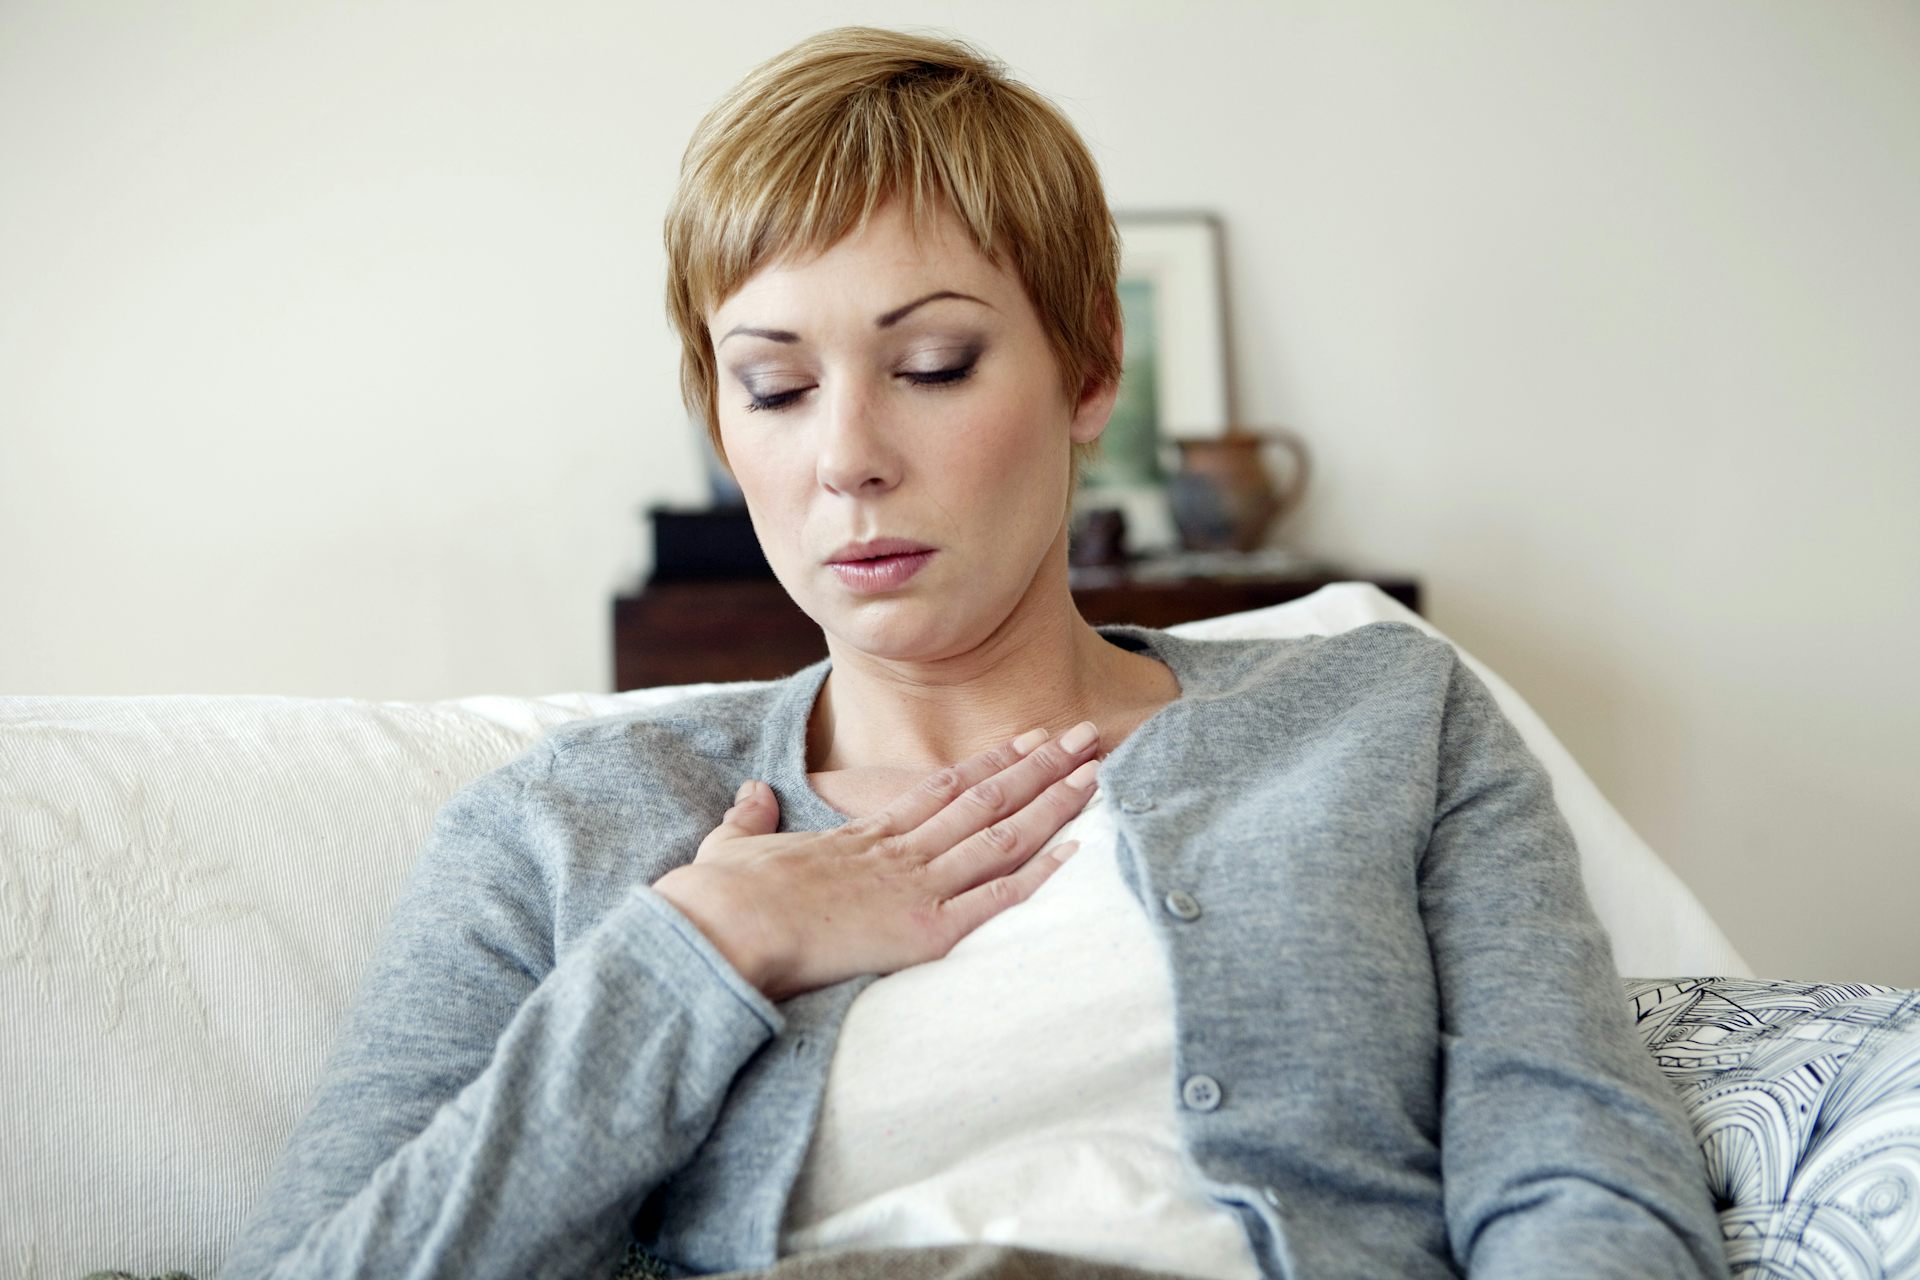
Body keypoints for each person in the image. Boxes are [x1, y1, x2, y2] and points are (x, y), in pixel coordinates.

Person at [221, 26, 1730, 1280]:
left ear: (1089, 369)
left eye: (932, 364)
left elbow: (1581, 1171)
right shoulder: (565, 830)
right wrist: (702, 950)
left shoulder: (1379, 719)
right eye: (774, 388)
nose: (848, 458)